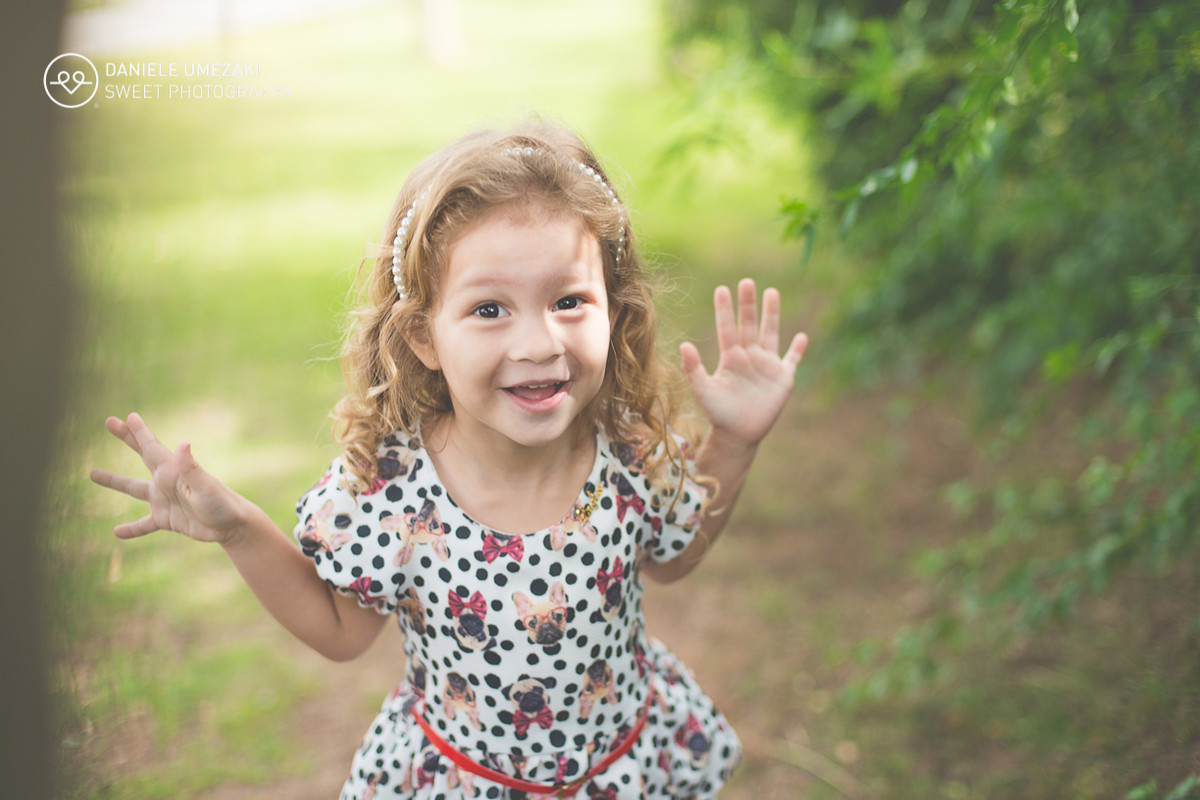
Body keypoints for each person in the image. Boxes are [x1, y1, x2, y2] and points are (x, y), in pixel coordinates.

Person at [90, 121, 808, 799]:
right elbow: (341, 634)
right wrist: (239, 529)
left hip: (619, 771)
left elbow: (672, 556)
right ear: (424, 335)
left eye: (568, 300)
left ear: (613, 311)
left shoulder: (624, 450)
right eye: (490, 309)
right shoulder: (394, 492)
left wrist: (735, 442)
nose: (537, 343)